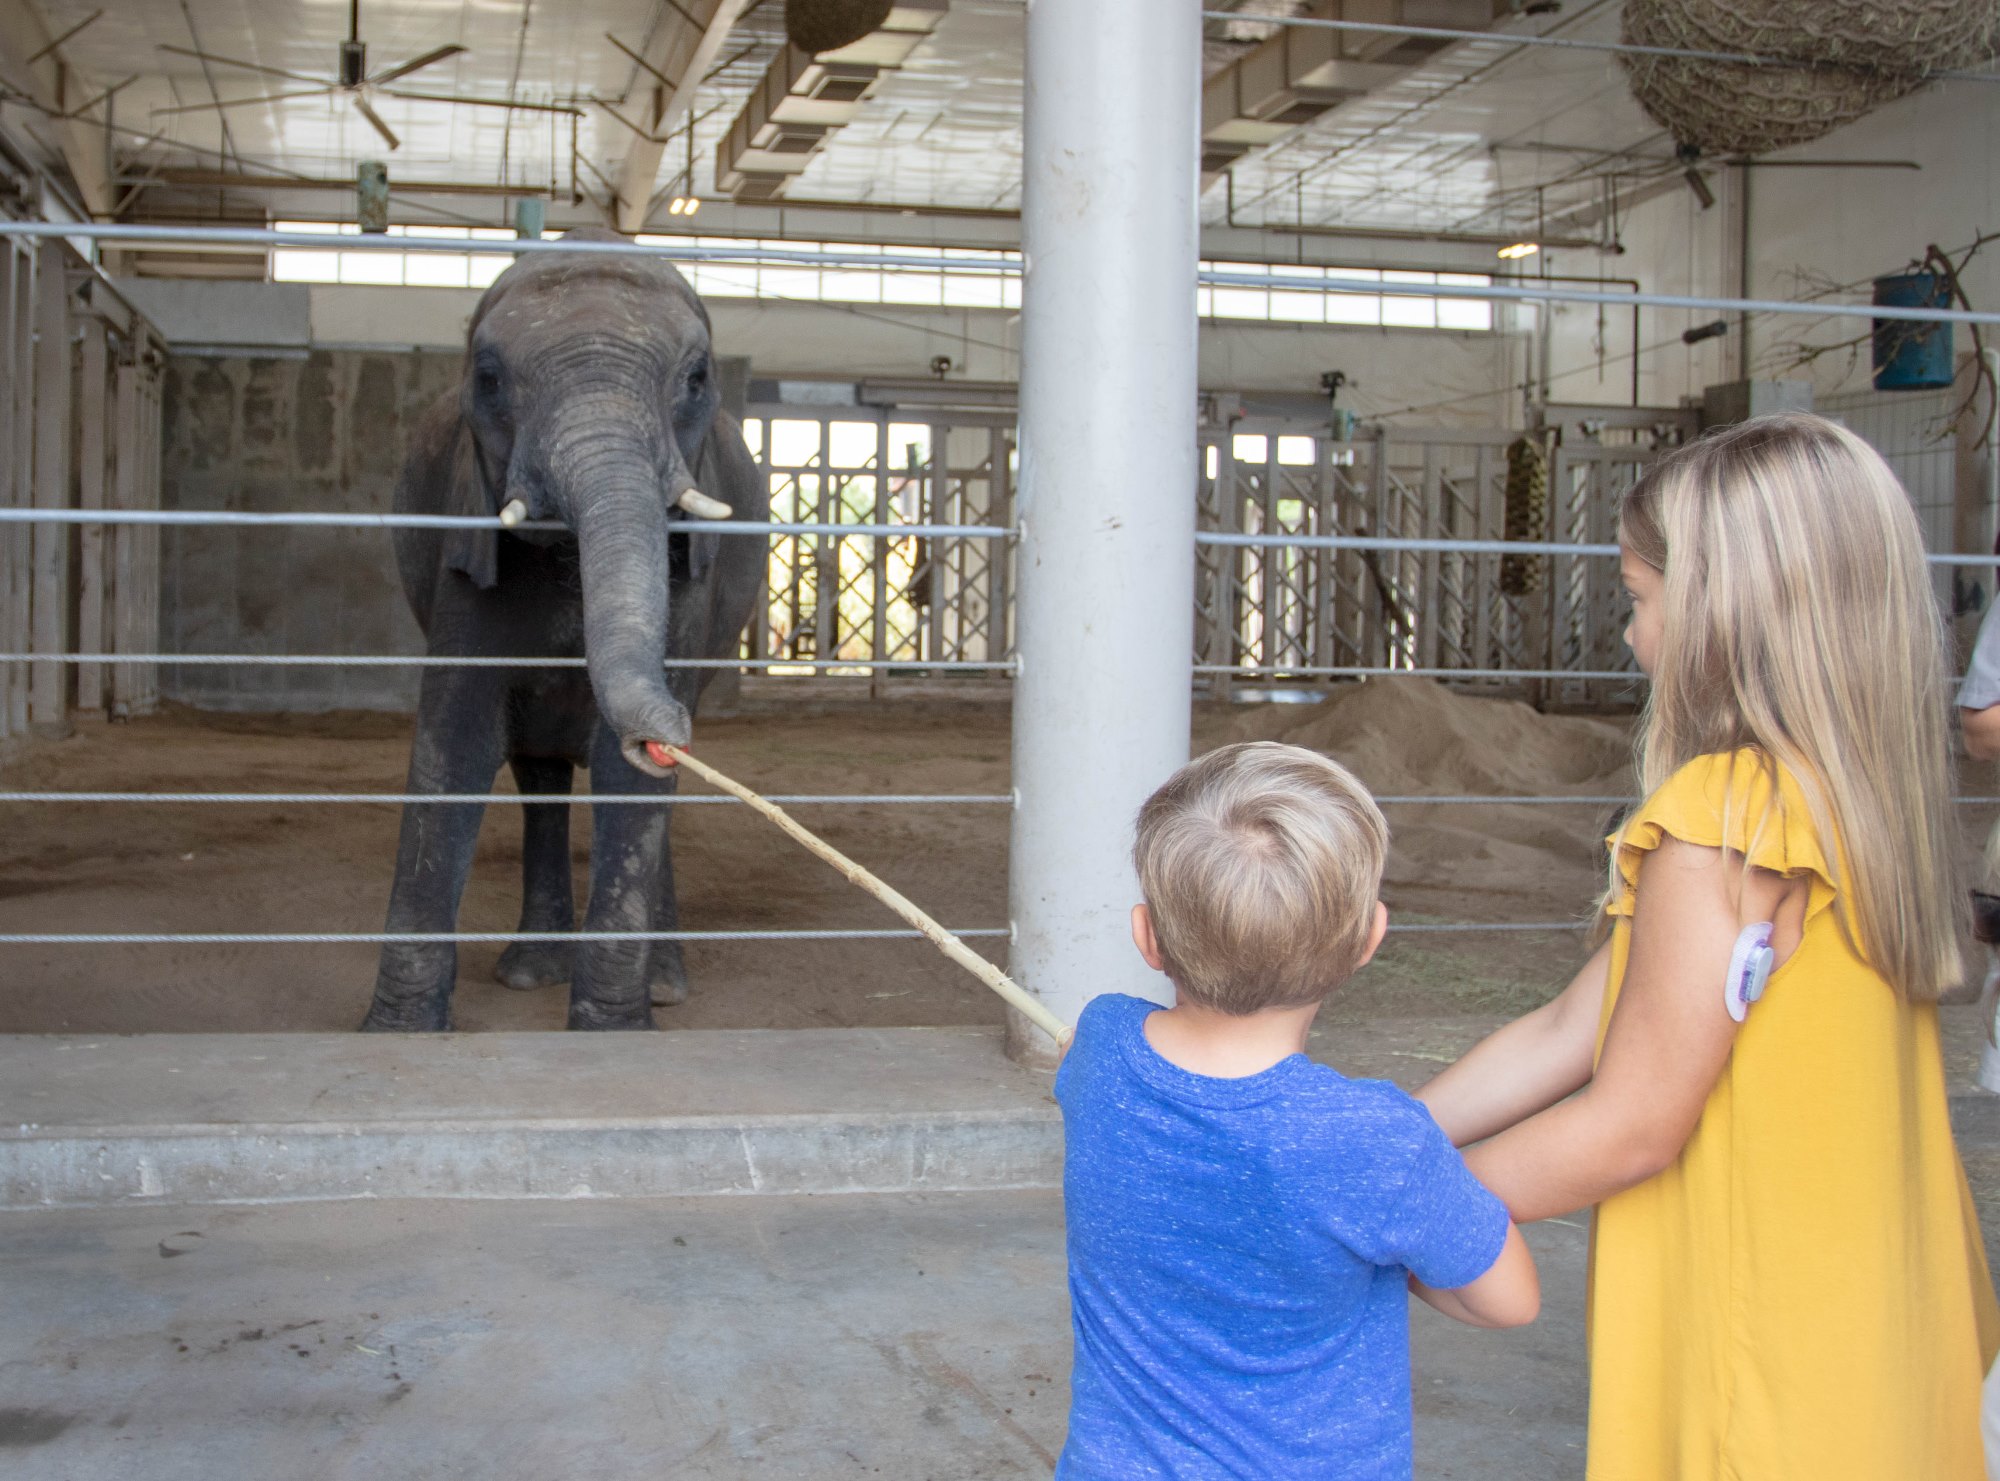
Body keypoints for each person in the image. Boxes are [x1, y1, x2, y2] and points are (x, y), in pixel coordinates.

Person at [1418, 412, 2000, 1479]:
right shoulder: (1865, 800)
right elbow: (1569, 1026)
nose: (1631, 635)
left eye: (1640, 599)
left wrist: (1405, 1213)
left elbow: (1631, 1123)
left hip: (1758, 1344)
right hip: (1885, 1322)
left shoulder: (1722, 814)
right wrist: (1378, 1138)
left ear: (1733, 608)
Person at [1054, 741, 1539, 1480]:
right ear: (1367, 939)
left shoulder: (1101, 1043)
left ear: (1147, 935)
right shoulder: (1377, 1140)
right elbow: (1510, 1299)